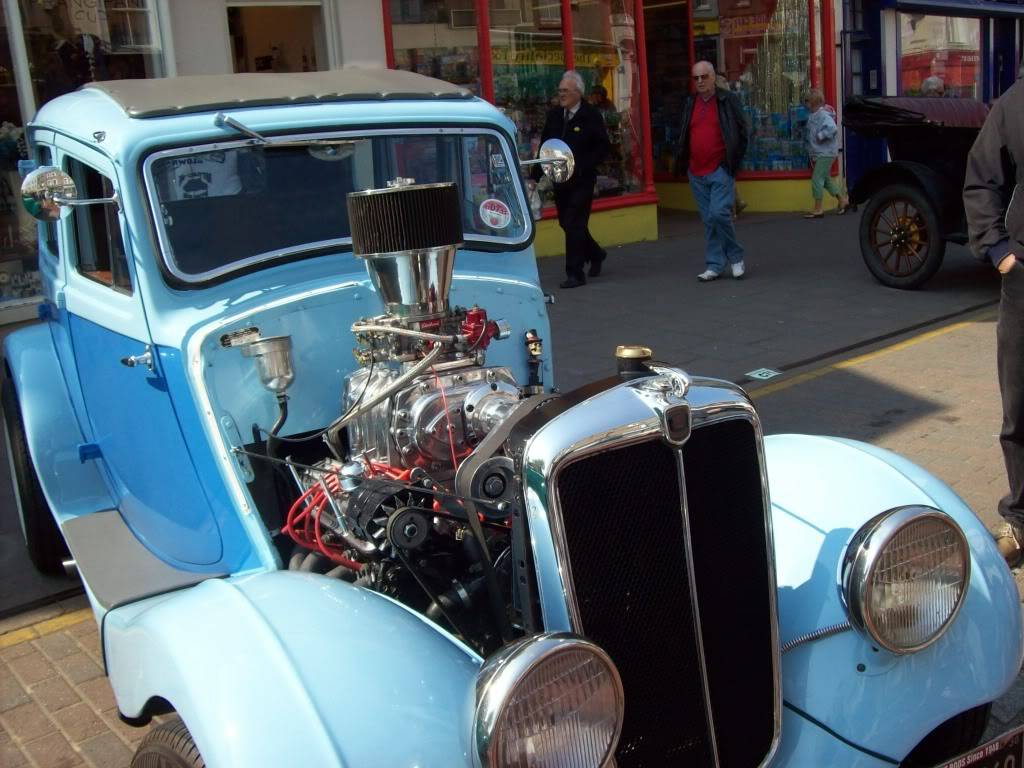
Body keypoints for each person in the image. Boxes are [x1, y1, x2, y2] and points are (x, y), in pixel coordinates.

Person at [963, 78, 1024, 566]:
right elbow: (982, 180)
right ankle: (1022, 521)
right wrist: (1001, 252)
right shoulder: (1013, 106)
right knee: (1020, 409)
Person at [533, 70, 610, 289]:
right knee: (565, 221)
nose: (561, 95)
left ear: (578, 92)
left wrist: (584, 166)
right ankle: (596, 253)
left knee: (575, 222)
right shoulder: (555, 115)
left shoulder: (591, 115)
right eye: (560, 91)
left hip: (582, 180)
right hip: (560, 178)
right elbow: (546, 144)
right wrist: (538, 172)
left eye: (565, 91)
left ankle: (575, 273)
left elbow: (602, 147)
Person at [676, 60, 749, 282]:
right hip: (696, 170)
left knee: (719, 214)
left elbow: (743, 131)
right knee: (709, 220)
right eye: (695, 78)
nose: (699, 81)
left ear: (713, 77)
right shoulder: (690, 102)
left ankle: (736, 257)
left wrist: (731, 164)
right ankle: (715, 264)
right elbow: (684, 133)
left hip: (720, 168)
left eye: (704, 77)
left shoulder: (727, 100)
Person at [803, 88, 849, 218]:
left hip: (826, 152)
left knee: (817, 179)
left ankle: (818, 209)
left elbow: (832, 128)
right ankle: (842, 200)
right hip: (822, 152)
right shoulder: (814, 115)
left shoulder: (822, 115)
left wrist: (820, 135)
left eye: (807, 101)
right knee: (826, 179)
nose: (805, 104)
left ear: (813, 102)